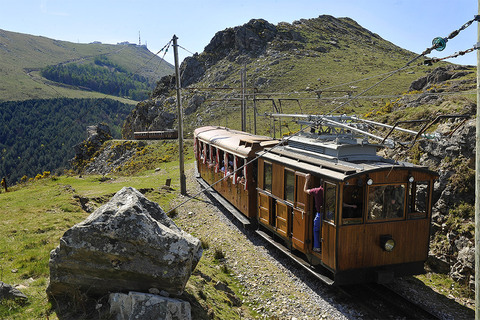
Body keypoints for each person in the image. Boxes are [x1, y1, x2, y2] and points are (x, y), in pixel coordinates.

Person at [304, 174, 323, 252]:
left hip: (320, 214)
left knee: (316, 229)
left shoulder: (317, 190)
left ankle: (317, 247)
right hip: (330, 214)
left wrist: (307, 180)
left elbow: (305, 190)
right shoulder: (331, 191)